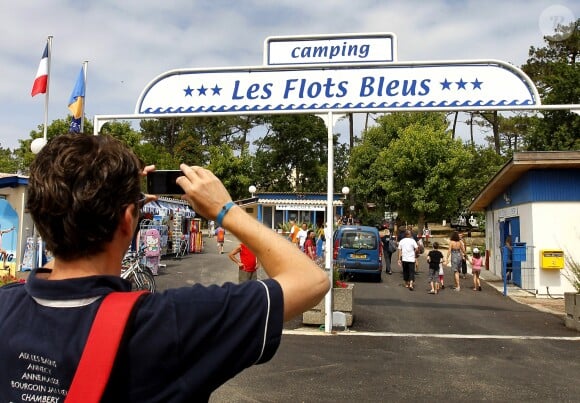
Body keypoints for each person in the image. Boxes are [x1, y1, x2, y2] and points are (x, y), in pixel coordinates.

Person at [0, 133, 329, 401]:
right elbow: (311, 280)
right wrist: (225, 209)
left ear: (40, 215)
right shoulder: (168, 322)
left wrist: (114, 199)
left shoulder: (5, 308)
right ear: (129, 221)